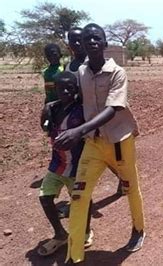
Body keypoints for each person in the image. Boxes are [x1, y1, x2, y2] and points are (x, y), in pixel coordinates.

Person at [54, 23, 145, 263]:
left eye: (96, 38)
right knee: (78, 194)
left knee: (130, 188)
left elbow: (114, 108)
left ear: (104, 44)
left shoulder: (118, 73)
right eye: (87, 39)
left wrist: (78, 130)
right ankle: (74, 256)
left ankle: (138, 229)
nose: (92, 42)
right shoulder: (81, 72)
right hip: (93, 144)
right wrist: (51, 107)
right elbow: (73, 97)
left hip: (119, 142)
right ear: (82, 46)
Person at [37, 72, 93, 256]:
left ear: (77, 89)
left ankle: (86, 231)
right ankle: (60, 234)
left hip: (78, 166)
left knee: (81, 200)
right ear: (56, 89)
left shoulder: (82, 110)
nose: (67, 91)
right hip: (57, 163)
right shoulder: (51, 109)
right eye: (62, 88)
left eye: (71, 87)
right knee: (45, 198)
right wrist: (45, 117)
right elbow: (45, 127)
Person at [65, 26, 124, 196]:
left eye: (79, 40)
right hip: (79, 116)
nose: (76, 43)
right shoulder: (70, 66)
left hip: (99, 119)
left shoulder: (95, 65)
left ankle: (121, 176)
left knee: (106, 153)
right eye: (73, 40)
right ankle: (79, 197)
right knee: (80, 157)